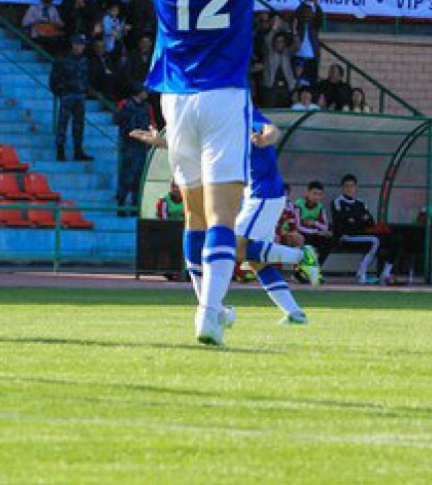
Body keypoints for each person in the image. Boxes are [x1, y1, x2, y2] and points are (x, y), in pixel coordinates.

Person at [0, 0, 414, 345]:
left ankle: (208, 306)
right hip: (224, 95)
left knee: (193, 215)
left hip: (174, 97)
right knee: (221, 218)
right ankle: (209, 315)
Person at [133, 108, 322, 325]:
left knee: (233, 247)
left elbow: (272, 131)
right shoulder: (224, 124)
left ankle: (301, 257)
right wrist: (162, 142)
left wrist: (264, 139)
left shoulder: (247, 114)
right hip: (255, 195)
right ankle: (295, 314)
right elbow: (197, 150)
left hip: (264, 194)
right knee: (255, 261)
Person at [331, 174, 388, 285]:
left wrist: (354, 219)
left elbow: (370, 221)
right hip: (346, 236)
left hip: (361, 235)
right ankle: (361, 273)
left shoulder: (360, 203)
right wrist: (358, 219)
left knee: (385, 241)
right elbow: (341, 222)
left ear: (355, 187)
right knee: (375, 241)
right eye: (346, 186)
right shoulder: (337, 202)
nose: (349, 189)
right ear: (342, 187)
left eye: (351, 186)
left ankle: (385, 275)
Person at [49, 35, 93, 161]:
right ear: (73, 44)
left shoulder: (85, 60)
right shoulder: (63, 60)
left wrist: (86, 90)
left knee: (79, 124)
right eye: (78, 44)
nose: (80, 47)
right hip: (67, 94)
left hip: (80, 94)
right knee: (63, 122)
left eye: (82, 45)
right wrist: (59, 91)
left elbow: (87, 77)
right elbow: (54, 77)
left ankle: (78, 150)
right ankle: (60, 149)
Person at [114, 85, 153, 213]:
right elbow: (118, 120)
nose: (146, 94)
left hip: (141, 145)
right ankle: (121, 202)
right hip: (129, 144)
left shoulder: (146, 107)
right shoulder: (126, 105)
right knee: (126, 175)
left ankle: (136, 203)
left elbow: (149, 124)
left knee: (139, 175)